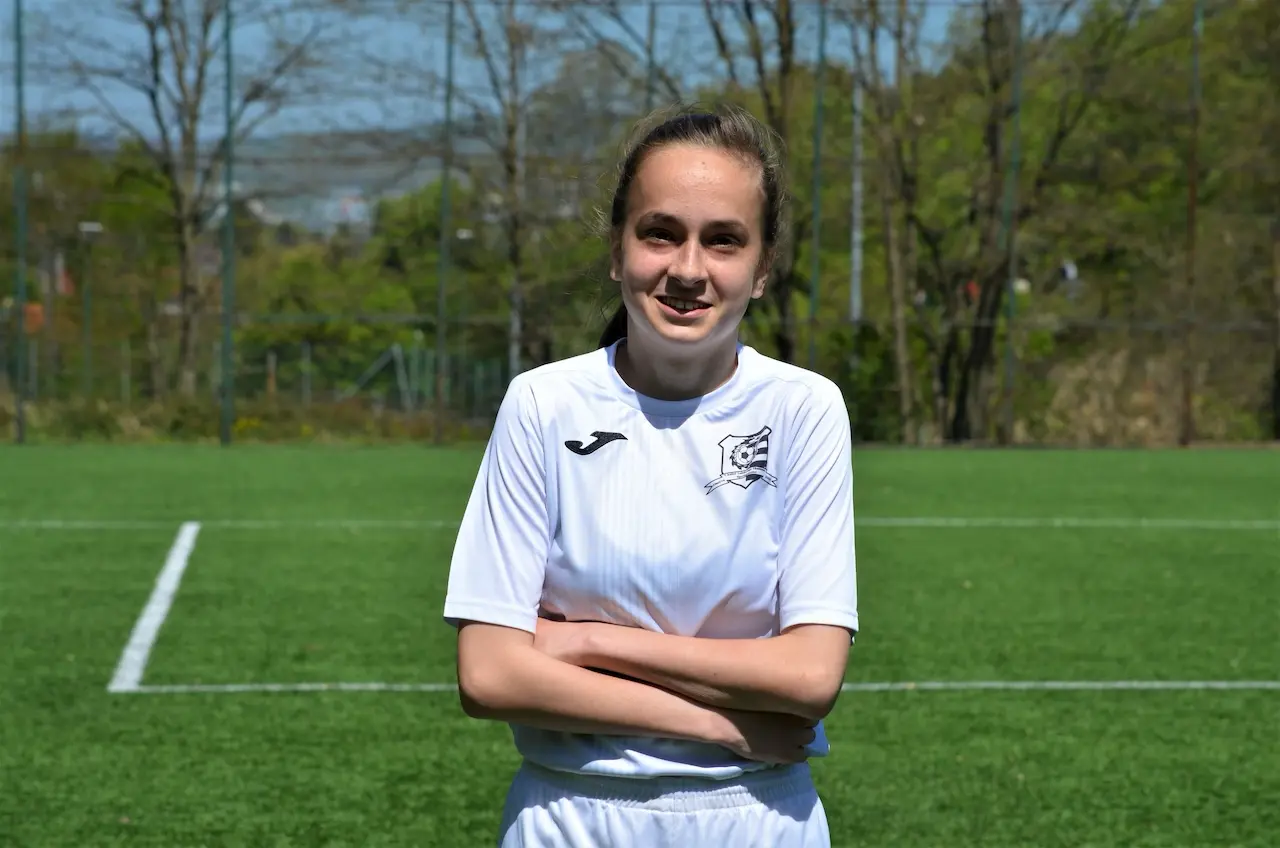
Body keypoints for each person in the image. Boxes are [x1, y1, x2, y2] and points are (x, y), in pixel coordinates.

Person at [442, 103, 859, 848]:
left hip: (758, 818)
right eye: (660, 233)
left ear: (763, 268)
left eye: (723, 240)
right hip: (569, 817)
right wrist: (720, 725)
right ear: (617, 249)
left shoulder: (804, 409)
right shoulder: (543, 404)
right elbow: (490, 675)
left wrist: (584, 643)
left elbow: (810, 676)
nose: (688, 270)